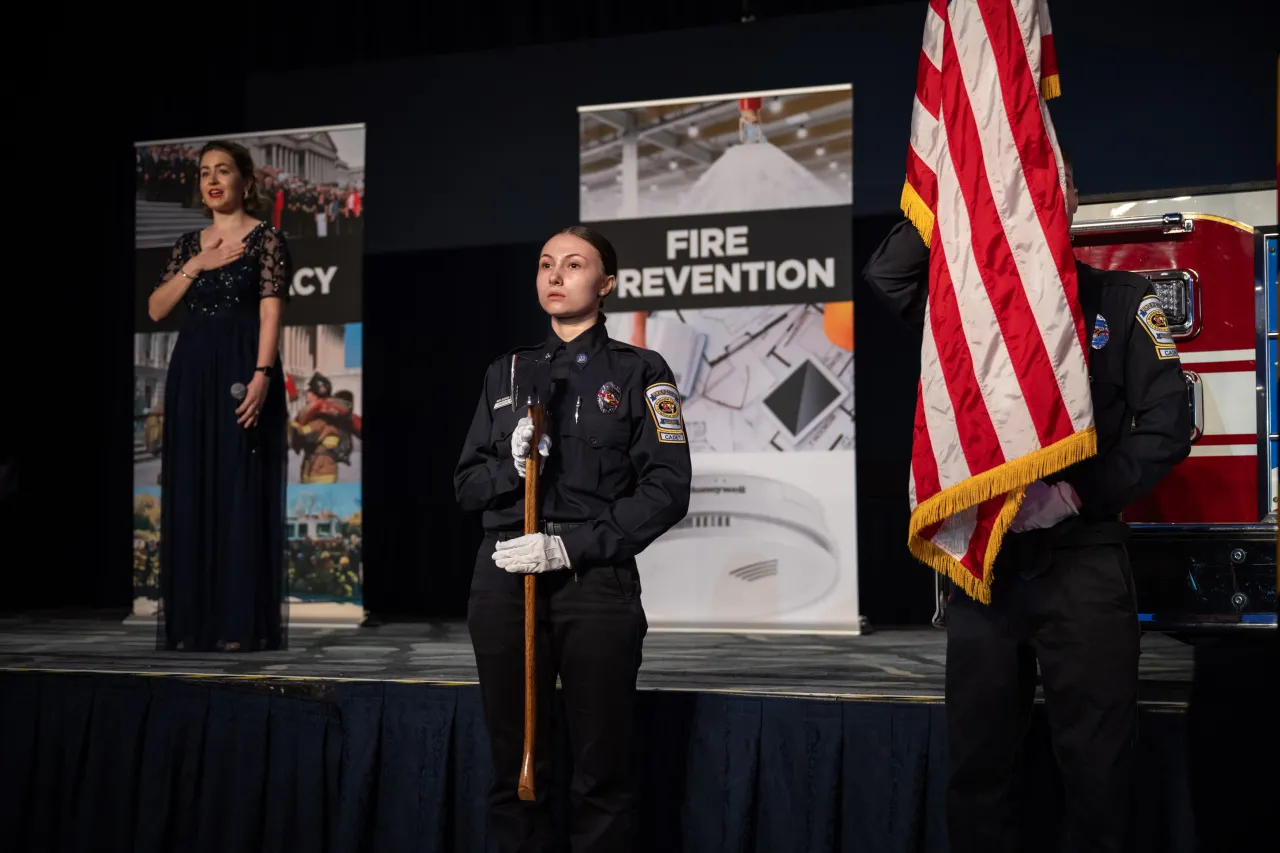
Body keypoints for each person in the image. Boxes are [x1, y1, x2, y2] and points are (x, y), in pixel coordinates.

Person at [862, 154, 1190, 852]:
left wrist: (1077, 491)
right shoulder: (965, 307)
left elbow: (1168, 423)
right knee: (980, 769)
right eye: (1016, 178)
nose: (1031, 192)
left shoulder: (1123, 300)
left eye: (1047, 179)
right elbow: (887, 276)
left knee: (1099, 770)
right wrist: (952, 191)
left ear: (1072, 198)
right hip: (988, 567)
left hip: (1085, 563)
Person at [454, 225, 693, 853]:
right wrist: (510, 465)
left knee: (601, 773)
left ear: (606, 284)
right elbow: (466, 486)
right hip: (505, 576)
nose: (555, 276)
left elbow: (666, 489)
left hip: (594, 582)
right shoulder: (504, 372)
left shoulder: (641, 370)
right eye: (544, 265)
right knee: (515, 770)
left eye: (574, 265)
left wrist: (572, 547)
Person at [148, 139, 292, 652]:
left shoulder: (267, 239)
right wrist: (199, 264)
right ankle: (191, 623)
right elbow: (157, 309)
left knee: (238, 490)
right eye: (205, 172)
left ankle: (238, 624)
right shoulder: (191, 244)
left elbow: (270, 313)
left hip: (241, 369)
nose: (213, 179)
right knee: (192, 487)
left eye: (224, 170)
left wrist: (262, 373)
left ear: (245, 181)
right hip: (192, 374)